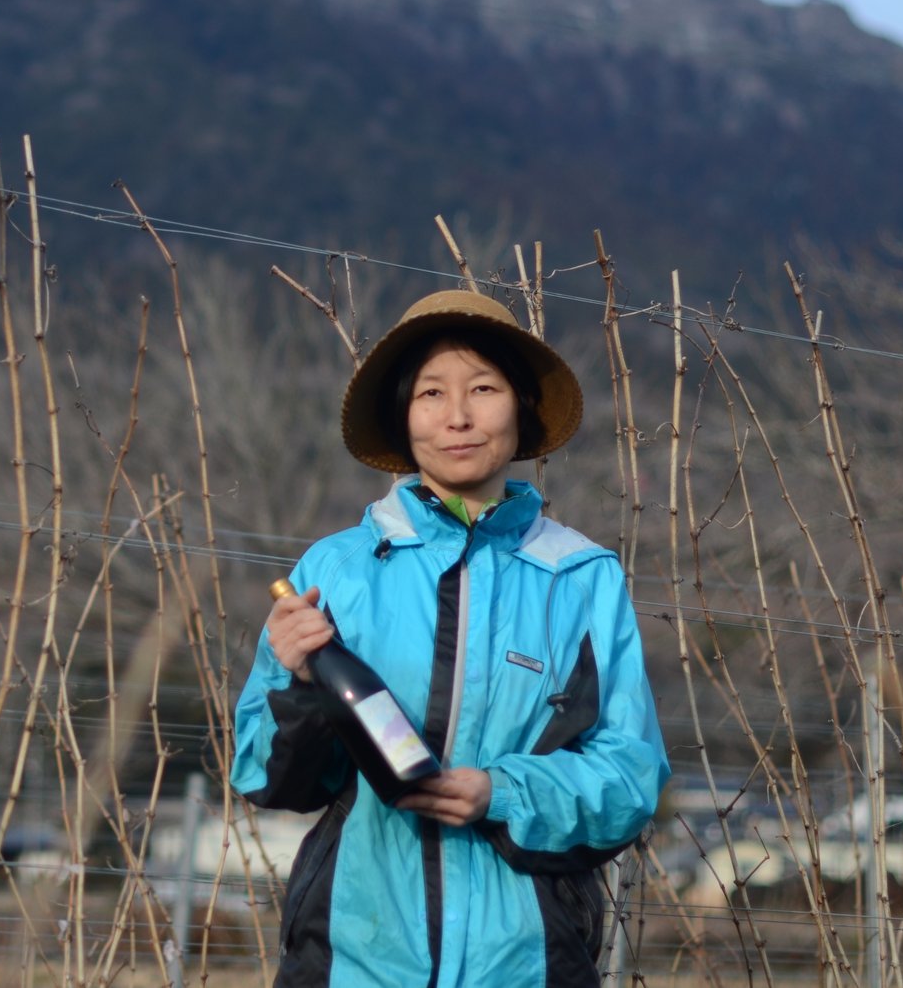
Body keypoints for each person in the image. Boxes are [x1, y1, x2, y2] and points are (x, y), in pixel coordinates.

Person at [231, 289, 669, 988]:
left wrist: (501, 791)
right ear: (404, 416)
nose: (458, 416)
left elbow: (631, 776)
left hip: (528, 964)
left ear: (520, 406)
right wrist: (297, 684)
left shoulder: (580, 576)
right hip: (353, 958)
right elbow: (262, 775)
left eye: (484, 389)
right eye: (431, 392)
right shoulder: (334, 571)